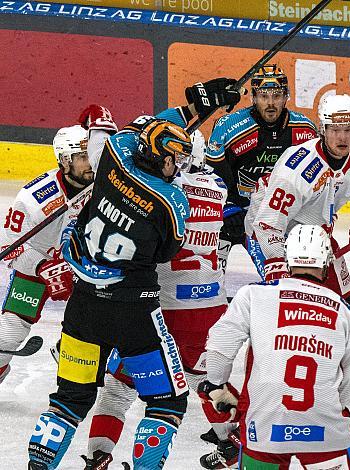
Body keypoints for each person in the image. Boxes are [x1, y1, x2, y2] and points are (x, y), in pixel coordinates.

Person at [26, 78, 241, 470]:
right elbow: (166, 250)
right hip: (138, 314)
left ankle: (41, 465)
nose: (175, 165)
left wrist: (194, 105)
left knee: (70, 400)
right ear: (164, 159)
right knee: (168, 399)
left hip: (83, 308)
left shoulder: (113, 156)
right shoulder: (175, 197)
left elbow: (133, 130)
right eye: (171, 159)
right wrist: (198, 110)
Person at [80, 131, 233, 469]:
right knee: (204, 381)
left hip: (159, 308)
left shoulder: (161, 191)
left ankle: (96, 458)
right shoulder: (218, 188)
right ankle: (230, 442)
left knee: (118, 388)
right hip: (209, 306)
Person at [200, 224, 350, 469]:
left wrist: (217, 386)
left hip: (265, 425)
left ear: (287, 258)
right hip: (325, 427)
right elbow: (349, 383)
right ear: (326, 263)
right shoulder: (346, 312)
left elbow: (220, 346)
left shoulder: (253, 295)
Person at [0, 105, 117, 385]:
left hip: (86, 265)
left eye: (90, 154)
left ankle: (69, 351)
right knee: (9, 333)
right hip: (38, 266)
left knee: (108, 317)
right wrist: (42, 268)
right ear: (64, 161)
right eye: (81, 157)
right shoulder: (34, 198)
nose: (89, 162)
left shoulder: (105, 182)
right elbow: (10, 248)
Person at [244, 94, 350, 299]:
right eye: (335, 130)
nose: (342, 137)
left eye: (348, 130)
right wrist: (278, 265)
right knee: (294, 300)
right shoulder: (297, 169)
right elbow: (267, 225)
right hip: (270, 234)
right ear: (323, 129)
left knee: (340, 299)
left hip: (315, 233)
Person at [206, 64, 317, 271]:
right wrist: (228, 208)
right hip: (232, 209)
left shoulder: (305, 131)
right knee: (207, 275)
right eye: (264, 96)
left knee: (279, 273)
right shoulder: (229, 127)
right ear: (254, 98)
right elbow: (211, 174)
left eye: (277, 96)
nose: (271, 103)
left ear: (286, 97)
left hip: (273, 212)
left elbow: (314, 179)